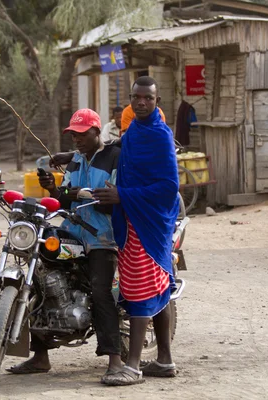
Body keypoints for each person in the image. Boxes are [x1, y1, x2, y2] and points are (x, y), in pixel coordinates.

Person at [6, 109, 123, 384]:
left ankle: (115, 359)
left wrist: (74, 194)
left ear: (97, 132)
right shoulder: (75, 162)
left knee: (100, 291)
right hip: (73, 231)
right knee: (40, 278)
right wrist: (52, 190)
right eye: (73, 135)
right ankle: (40, 355)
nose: (77, 140)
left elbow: (109, 199)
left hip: (103, 237)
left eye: (82, 134)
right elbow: (66, 200)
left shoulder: (114, 158)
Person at [94, 76, 179, 386]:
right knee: (158, 289)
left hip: (150, 222)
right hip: (132, 219)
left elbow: (170, 186)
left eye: (148, 98)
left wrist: (122, 195)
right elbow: (117, 148)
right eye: (136, 98)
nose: (141, 103)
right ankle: (165, 360)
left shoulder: (159, 135)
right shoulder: (133, 133)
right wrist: (79, 154)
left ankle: (132, 366)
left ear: (157, 102)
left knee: (141, 289)